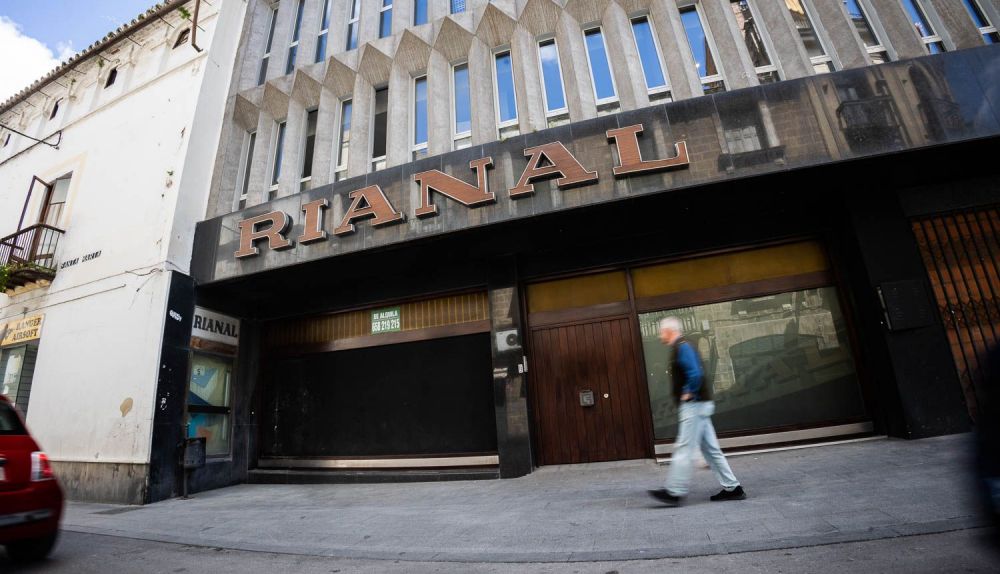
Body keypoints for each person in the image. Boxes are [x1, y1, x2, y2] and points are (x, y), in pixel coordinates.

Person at [648, 316, 745, 506]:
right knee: (711, 451)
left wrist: (688, 392)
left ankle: (674, 491)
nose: (660, 335)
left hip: (694, 405)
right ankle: (733, 487)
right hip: (700, 405)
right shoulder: (684, 346)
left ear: (669, 331)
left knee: (684, 448)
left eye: (661, 331)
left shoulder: (682, 346)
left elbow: (695, 374)